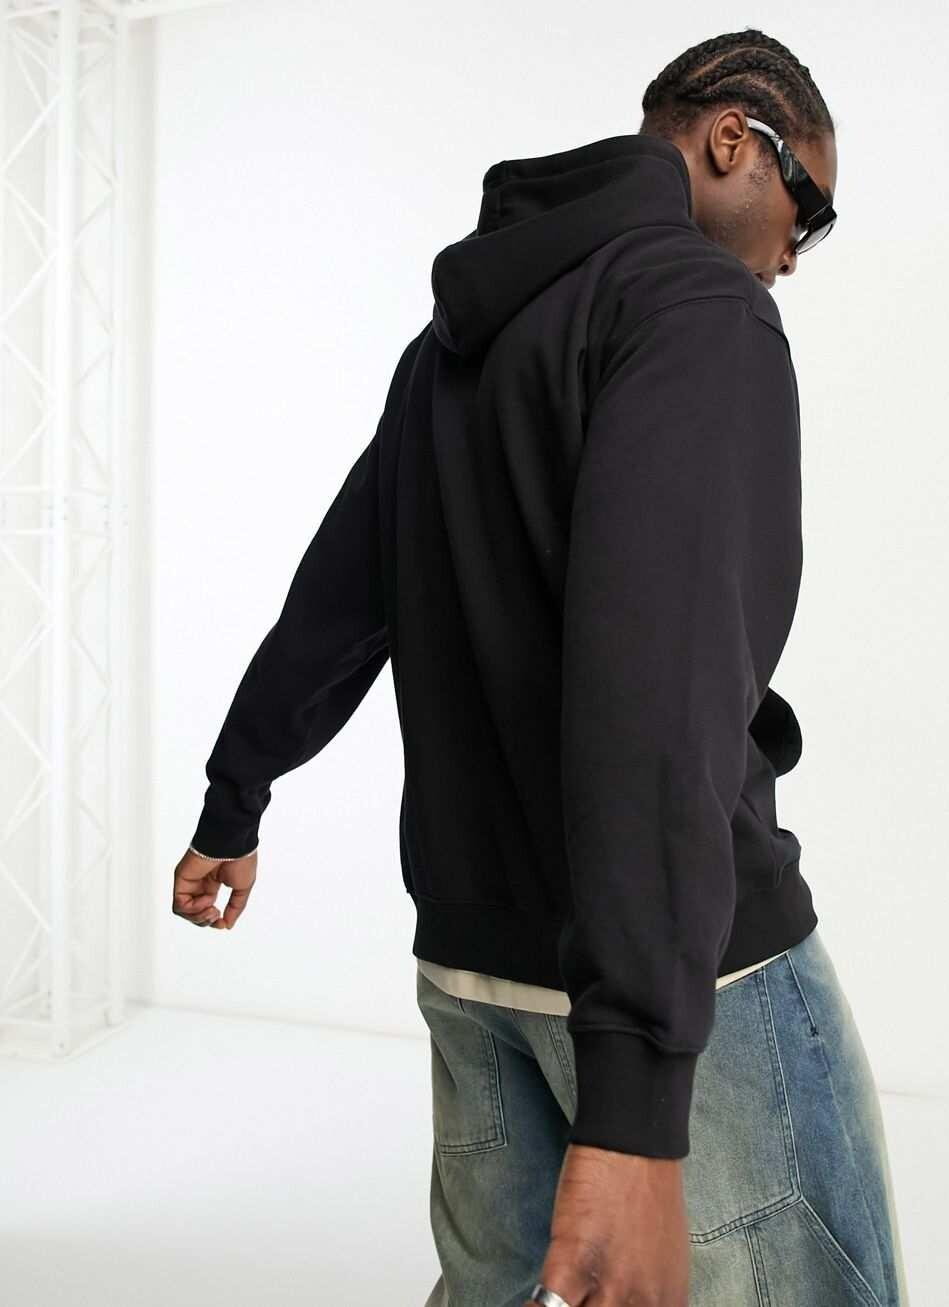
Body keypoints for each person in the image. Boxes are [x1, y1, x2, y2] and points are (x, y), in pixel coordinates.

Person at [171, 25, 910, 1307]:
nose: (797, 250)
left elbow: (339, 600)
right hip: (683, 980)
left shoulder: (450, 346)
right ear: (731, 141)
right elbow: (663, 690)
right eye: (809, 208)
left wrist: (233, 801)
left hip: (475, 965)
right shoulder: (696, 309)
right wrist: (633, 1102)